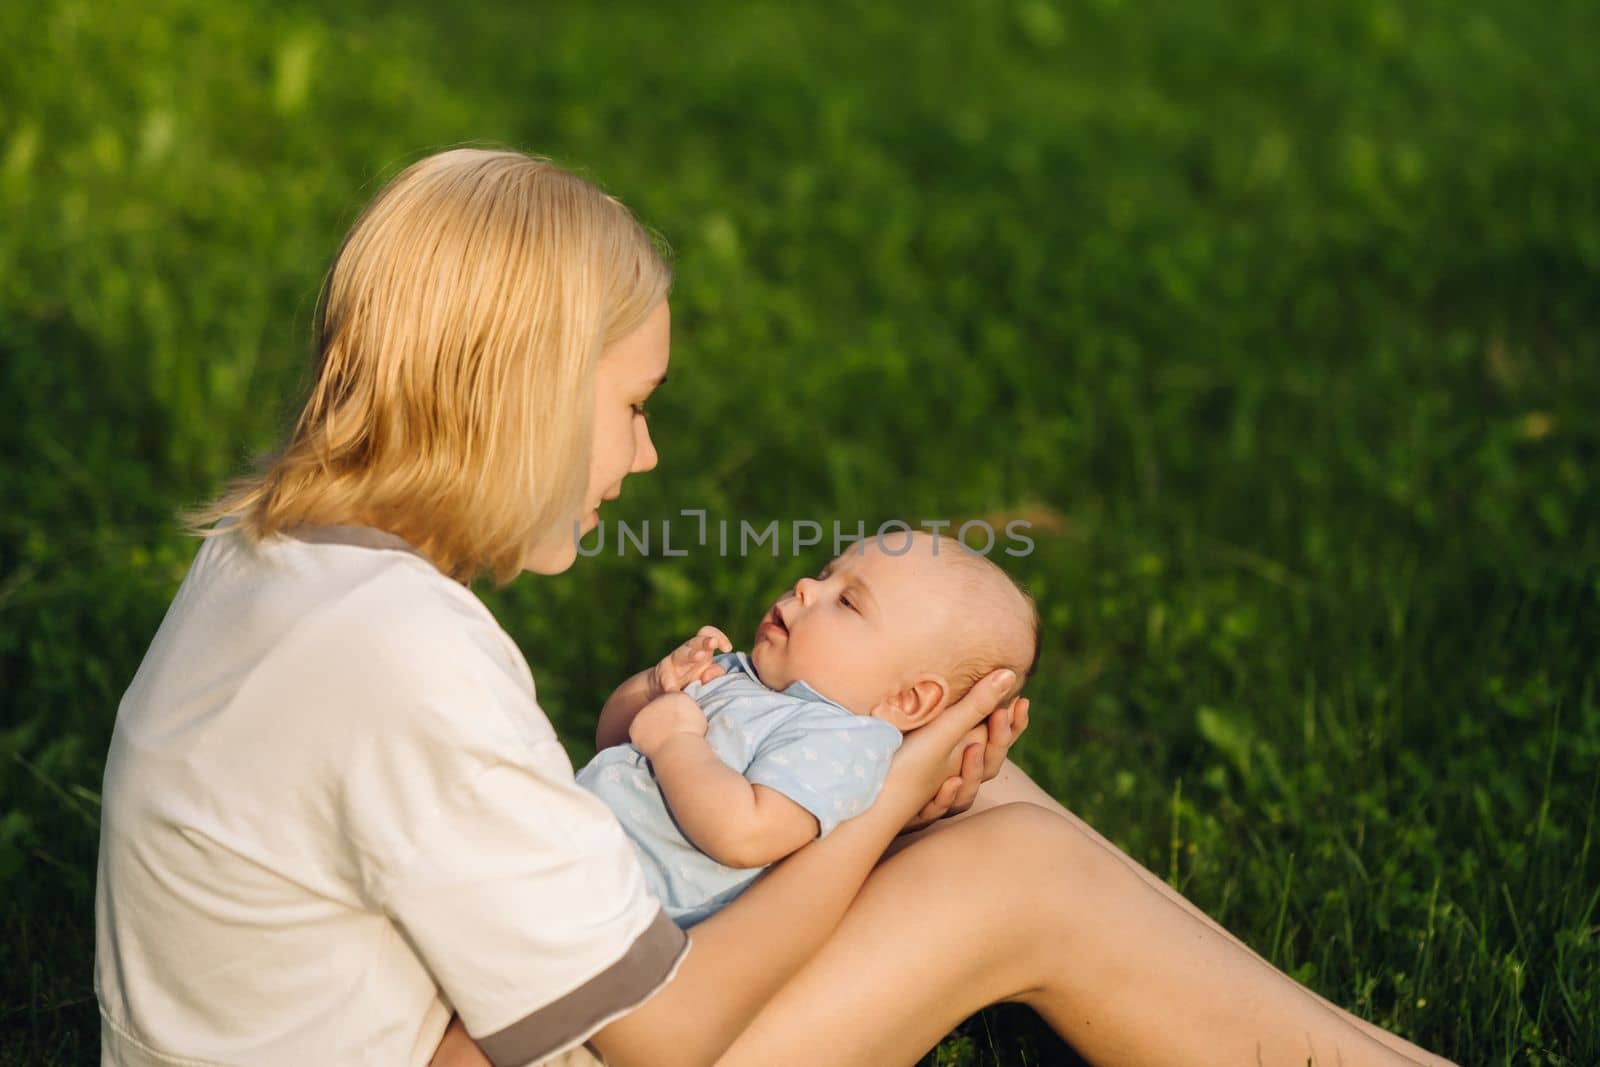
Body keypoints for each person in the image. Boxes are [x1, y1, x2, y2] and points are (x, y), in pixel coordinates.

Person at [92, 147, 1455, 1067]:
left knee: (964, 794)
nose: (645, 456)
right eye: (630, 406)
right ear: (514, 394)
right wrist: (876, 798)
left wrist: (898, 782)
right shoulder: (407, 652)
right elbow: (660, 1037)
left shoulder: (286, 565)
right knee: (1009, 871)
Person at [577, 535, 1039, 925]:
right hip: (573, 857)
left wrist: (676, 743)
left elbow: (745, 834)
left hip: (626, 911)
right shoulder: (743, 674)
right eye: (824, 576)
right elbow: (614, 737)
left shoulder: (839, 744)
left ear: (908, 699)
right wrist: (656, 686)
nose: (803, 588)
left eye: (846, 601)